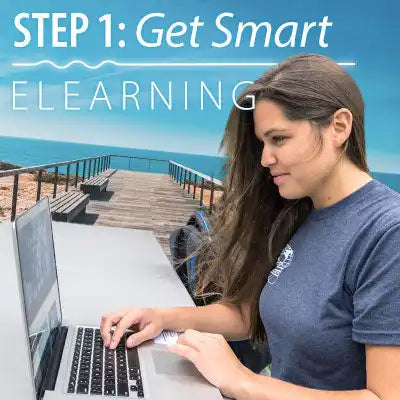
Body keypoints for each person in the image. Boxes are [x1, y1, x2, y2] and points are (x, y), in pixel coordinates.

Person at [100, 54, 400, 399]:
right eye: (262, 143)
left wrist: (242, 380)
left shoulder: (387, 233)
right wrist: (161, 317)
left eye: (280, 139)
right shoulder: (302, 213)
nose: (265, 159)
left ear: (339, 127)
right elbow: (247, 316)